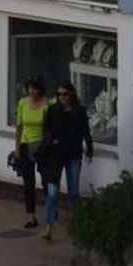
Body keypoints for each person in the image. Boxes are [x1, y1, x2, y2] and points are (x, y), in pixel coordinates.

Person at [39, 81, 95, 242]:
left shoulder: (79, 111)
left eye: (64, 94)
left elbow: (86, 132)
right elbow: (46, 129)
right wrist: (50, 142)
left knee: (74, 192)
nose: (61, 97)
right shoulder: (53, 110)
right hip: (55, 155)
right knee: (52, 193)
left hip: (73, 154)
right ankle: (48, 228)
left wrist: (89, 150)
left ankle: (78, 227)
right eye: (58, 94)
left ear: (71, 94)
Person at [10, 78, 51, 229]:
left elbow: (50, 127)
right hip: (26, 143)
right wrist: (17, 148)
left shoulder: (47, 104)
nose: (32, 92)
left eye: (35, 89)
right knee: (29, 182)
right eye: (29, 89)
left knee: (46, 179)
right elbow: (19, 127)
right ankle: (31, 216)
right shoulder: (22, 103)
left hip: (41, 146)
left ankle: (51, 206)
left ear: (40, 90)